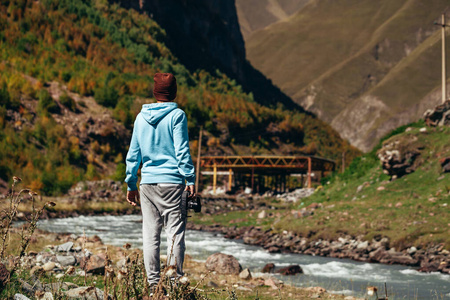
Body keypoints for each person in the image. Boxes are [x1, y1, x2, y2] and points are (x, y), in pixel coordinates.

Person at [124, 73, 196, 288]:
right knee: (174, 234)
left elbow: (133, 153)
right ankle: (173, 284)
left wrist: (130, 184)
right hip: (173, 183)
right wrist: (190, 177)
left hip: (147, 184)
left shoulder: (140, 117)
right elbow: (181, 150)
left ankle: (154, 286)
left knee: (150, 235)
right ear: (173, 92)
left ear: (155, 92)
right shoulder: (177, 116)